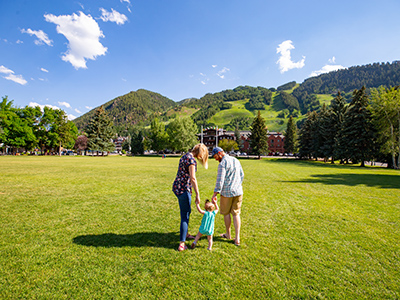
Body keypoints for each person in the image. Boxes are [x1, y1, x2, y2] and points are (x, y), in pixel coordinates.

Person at [172, 143, 209, 251]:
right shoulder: (192, 161)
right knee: (185, 215)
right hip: (183, 189)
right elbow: (193, 178)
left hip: (177, 187)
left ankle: (186, 233)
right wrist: (198, 194)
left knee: (185, 211)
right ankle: (182, 243)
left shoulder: (185, 156)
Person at [211, 146, 244, 246]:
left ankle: (228, 234)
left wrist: (215, 193)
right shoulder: (235, 160)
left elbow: (220, 181)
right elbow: (242, 175)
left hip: (227, 192)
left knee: (226, 213)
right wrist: (237, 185)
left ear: (220, 153)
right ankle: (237, 238)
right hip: (238, 192)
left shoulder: (222, 164)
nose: (215, 158)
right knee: (236, 214)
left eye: (215, 156)